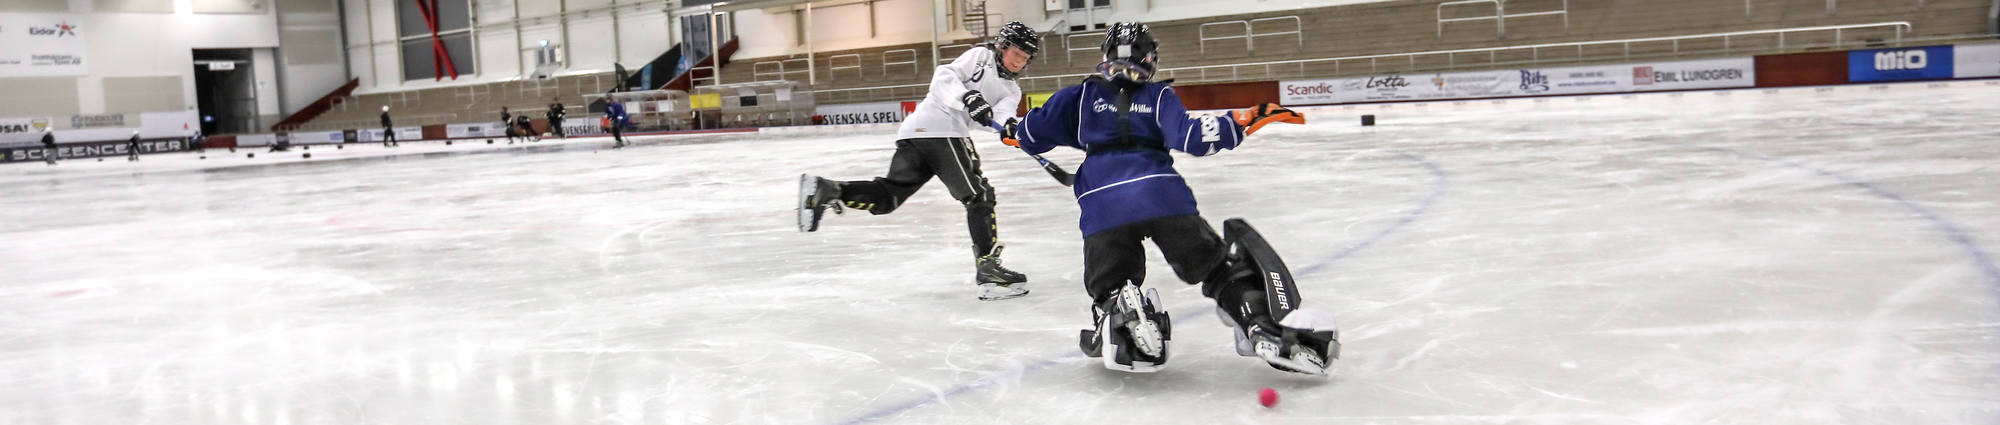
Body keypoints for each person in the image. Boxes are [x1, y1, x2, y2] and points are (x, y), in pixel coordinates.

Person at [1003, 22, 1338, 375]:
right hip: (1163, 196)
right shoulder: (1159, 96)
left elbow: (1031, 133)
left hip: (1104, 202)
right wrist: (1241, 120)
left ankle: (1123, 311)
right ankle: (1256, 320)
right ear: (1150, 59)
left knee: (1110, 281)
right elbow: (1192, 137)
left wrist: (1015, 132)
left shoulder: (1079, 96)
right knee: (1218, 269)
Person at [797, 21, 1040, 301]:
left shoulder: (1011, 91)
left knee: (889, 196)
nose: (1019, 61)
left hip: (918, 133)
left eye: (1025, 58)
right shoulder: (980, 58)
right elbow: (943, 78)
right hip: (940, 129)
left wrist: (1011, 127)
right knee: (979, 195)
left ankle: (829, 189)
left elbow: (998, 117)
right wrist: (968, 97)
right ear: (1001, 46)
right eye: (1016, 53)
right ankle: (988, 270)